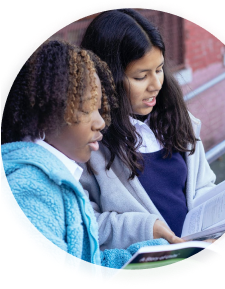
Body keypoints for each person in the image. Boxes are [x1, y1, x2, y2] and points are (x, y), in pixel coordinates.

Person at [1, 39, 168, 283]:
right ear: (46, 113)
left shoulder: (56, 178)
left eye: (99, 109)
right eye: (87, 109)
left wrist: (162, 257)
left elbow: (86, 266)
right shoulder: (26, 189)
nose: (101, 122)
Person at [79, 7, 217, 251]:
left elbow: (203, 186)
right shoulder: (88, 143)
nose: (156, 85)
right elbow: (84, 223)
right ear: (107, 78)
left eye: (159, 69)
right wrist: (145, 228)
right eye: (141, 76)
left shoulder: (180, 119)